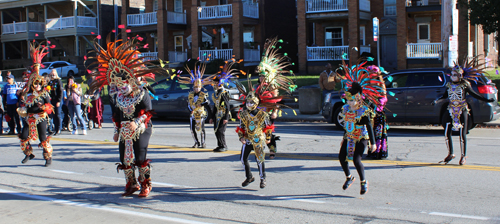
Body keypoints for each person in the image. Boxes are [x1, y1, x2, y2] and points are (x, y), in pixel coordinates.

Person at [85, 35, 162, 197]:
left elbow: (148, 112)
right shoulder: (117, 96)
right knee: (125, 158)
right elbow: (117, 115)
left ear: (131, 80)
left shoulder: (141, 93)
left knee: (140, 157)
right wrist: (116, 130)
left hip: (141, 128)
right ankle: (131, 183)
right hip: (125, 130)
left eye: (123, 84)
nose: (120, 87)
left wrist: (136, 122)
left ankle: (145, 184)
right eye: (117, 84)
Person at [337, 59, 386, 195]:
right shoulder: (346, 109)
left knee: (356, 160)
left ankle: (363, 182)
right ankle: (349, 177)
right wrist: (343, 138)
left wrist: (373, 143)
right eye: (347, 99)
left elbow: (369, 126)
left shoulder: (362, 111)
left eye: (351, 100)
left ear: (358, 99)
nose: (349, 102)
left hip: (361, 137)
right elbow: (347, 126)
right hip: (349, 136)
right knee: (341, 158)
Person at [435, 58, 494, 165]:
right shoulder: (449, 85)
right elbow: (444, 96)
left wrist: (486, 100)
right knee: (447, 131)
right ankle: (450, 153)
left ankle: (463, 156)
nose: (453, 76)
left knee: (462, 133)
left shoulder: (464, 84)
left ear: (460, 76)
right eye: (452, 74)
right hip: (450, 109)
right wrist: (437, 100)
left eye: (455, 75)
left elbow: (474, 94)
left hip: (462, 109)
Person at [255, 37, 297, 159]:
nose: (261, 78)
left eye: (263, 76)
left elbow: (278, 101)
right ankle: (260, 149)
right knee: (258, 131)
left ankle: (272, 149)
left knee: (268, 132)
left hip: (268, 112)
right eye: (260, 76)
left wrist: (274, 112)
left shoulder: (272, 87)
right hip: (259, 112)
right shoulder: (257, 87)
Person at [18, 42, 54, 166]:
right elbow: (25, 105)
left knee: (43, 138)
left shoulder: (44, 94)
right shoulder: (28, 94)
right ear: (33, 84)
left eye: (39, 84)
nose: (38, 86)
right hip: (30, 118)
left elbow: (50, 107)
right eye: (36, 84)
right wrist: (22, 109)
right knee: (23, 136)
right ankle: (29, 154)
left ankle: (48, 157)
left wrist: (43, 107)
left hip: (41, 118)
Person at [179, 63, 213, 148]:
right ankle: (196, 142)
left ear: (201, 87)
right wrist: (190, 110)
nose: (196, 89)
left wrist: (201, 104)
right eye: (195, 87)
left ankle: (203, 142)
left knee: (201, 129)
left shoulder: (203, 94)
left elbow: (207, 103)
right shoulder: (190, 95)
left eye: (198, 87)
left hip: (201, 113)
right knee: (192, 129)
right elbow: (188, 104)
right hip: (193, 114)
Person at [366, 65, 389, 159]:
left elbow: (384, 97)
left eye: (373, 73)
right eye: (370, 74)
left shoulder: (381, 84)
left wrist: (379, 104)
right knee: (370, 132)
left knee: (378, 132)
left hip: (378, 111)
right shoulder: (366, 84)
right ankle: (371, 150)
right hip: (369, 111)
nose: (371, 75)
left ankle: (379, 151)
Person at [210, 67, 232, 152]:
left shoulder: (224, 93)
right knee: (216, 131)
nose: (215, 84)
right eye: (215, 83)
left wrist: (226, 118)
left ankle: (224, 145)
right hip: (217, 115)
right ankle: (219, 145)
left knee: (220, 131)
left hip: (223, 114)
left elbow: (227, 106)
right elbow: (215, 106)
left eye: (217, 83)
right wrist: (212, 117)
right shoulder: (215, 94)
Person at [48, 69, 63, 135]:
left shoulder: (58, 81)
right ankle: (55, 128)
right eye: (52, 74)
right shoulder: (50, 82)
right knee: (53, 115)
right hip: (52, 100)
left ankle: (59, 128)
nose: (53, 75)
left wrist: (59, 101)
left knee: (57, 114)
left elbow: (61, 91)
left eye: (54, 74)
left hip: (57, 100)